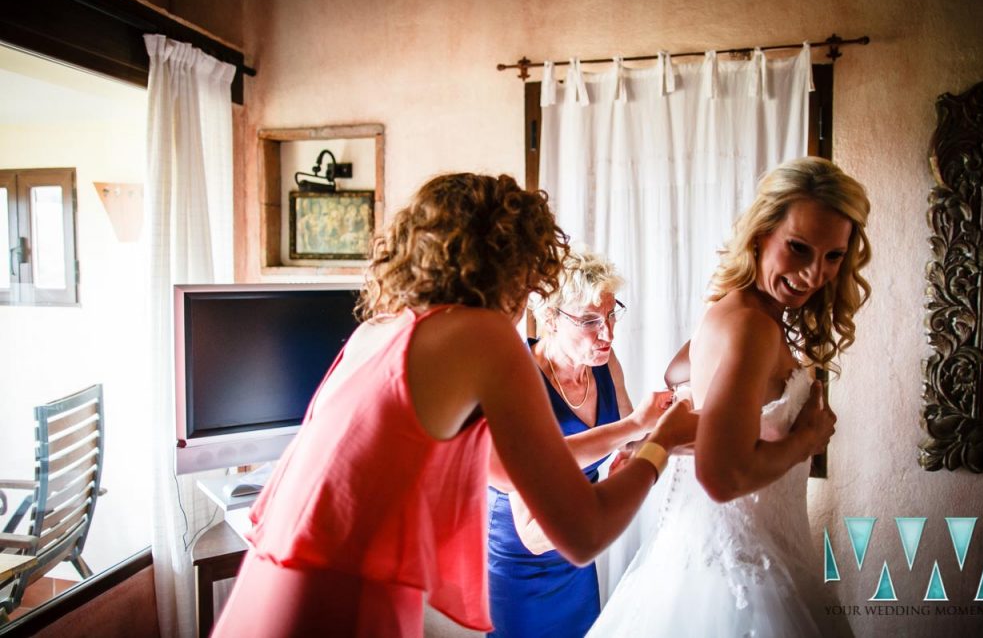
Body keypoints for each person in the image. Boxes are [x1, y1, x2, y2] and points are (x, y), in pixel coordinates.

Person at [211, 173, 698, 638]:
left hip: (270, 586)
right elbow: (583, 531)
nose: (529, 295)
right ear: (509, 266)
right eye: (530, 277)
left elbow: (516, 469)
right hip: (347, 594)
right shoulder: (486, 336)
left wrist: (637, 432)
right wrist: (662, 444)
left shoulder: (380, 330)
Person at [588, 156, 870, 637]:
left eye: (833, 256)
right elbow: (721, 478)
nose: (813, 274)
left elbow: (682, 371)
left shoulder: (735, 311)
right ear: (761, 235)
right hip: (741, 577)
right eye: (798, 248)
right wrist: (808, 437)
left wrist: (696, 418)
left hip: (734, 555)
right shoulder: (753, 327)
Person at [486, 249, 676, 637]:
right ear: (551, 319)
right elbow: (535, 536)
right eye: (590, 320)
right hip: (524, 561)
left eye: (610, 315)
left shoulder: (603, 362)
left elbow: (628, 439)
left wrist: (671, 418)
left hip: (576, 555)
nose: (607, 333)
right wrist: (610, 493)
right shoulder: (519, 380)